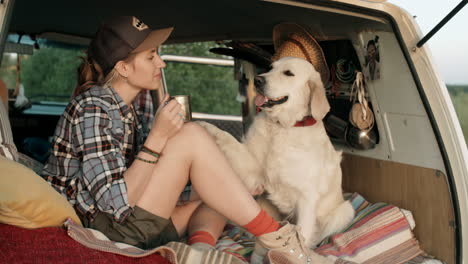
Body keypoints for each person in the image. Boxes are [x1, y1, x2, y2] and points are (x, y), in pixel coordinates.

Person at [41, 16, 323, 264]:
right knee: (192, 136)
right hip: (108, 227)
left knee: (220, 197)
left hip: (134, 223)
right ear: (123, 68)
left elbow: (145, 179)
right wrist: (158, 137)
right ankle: (281, 240)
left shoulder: (133, 106)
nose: (161, 63)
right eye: (151, 56)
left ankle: (199, 253)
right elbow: (116, 202)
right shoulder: (92, 108)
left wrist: (209, 183)